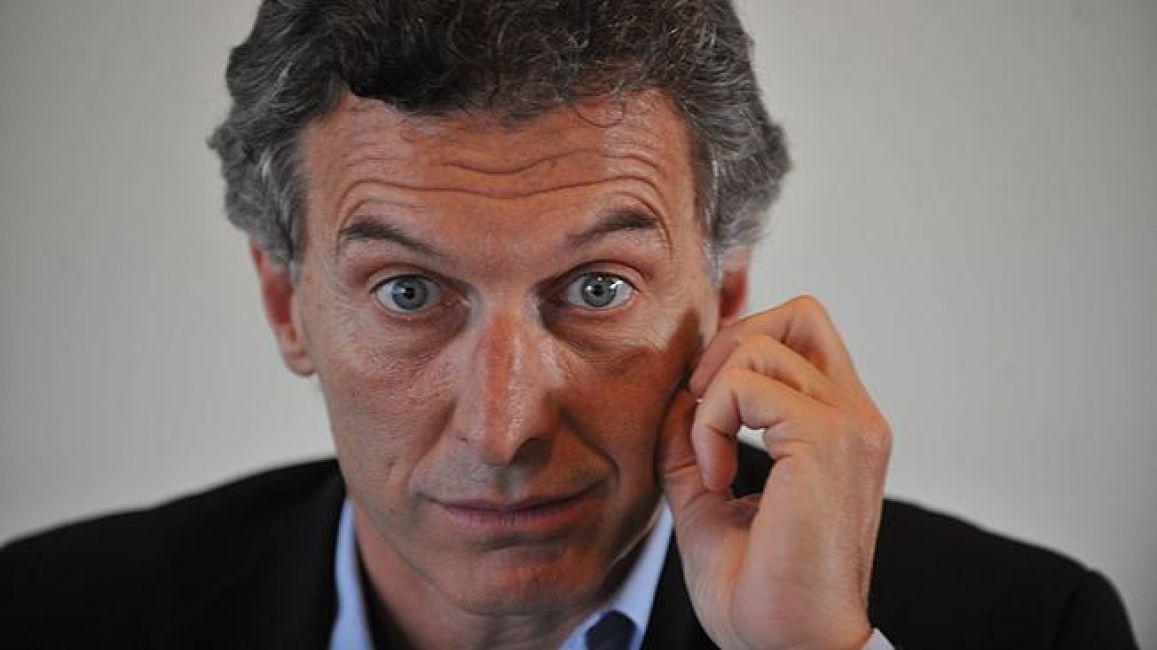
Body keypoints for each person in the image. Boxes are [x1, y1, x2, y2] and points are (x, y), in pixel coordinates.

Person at [0, 1, 1139, 648]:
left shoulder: (1028, 628)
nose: (503, 431)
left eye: (596, 287)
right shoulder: (51, 617)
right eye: (408, 291)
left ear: (722, 295)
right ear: (283, 304)